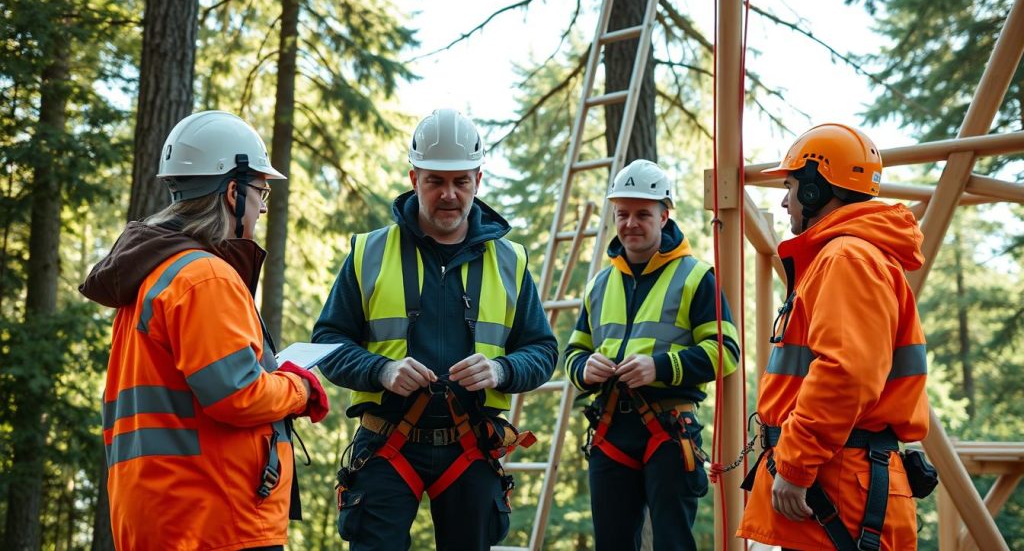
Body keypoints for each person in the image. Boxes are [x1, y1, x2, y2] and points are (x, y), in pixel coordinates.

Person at [80, 110, 329, 551]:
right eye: (260, 192)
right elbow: (238, 395)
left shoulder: (152, 276)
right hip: (212, 518)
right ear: (233, 192)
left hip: (161, 511)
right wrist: (299, 388)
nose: (262, 206)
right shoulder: (205, 278)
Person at [312, 108, 558, 551]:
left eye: (461, 181)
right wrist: (381, 371)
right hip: (385, 443)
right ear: (413, 178)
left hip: (472, 444)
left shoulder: (510, 261)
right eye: (435, 181)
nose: (449, 195)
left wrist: (501, 371)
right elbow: (327, 343)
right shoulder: (369, 252)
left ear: (478, 181)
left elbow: (542, 349)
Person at [736, 123, 930, 550]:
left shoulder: (847, 257)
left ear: (814, 189)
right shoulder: (851, 255)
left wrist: (794, 466)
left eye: (790, 186)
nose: (785, 201)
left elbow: (847, 372)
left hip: (837, 488)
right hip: (841, 483)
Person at [563, 159, 740, 551]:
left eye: (642, 214)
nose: (630, 224)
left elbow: (726, 351)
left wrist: (658, 367)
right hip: (611, 428)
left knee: (672, 543)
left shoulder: (696, 277)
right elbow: (574, 352)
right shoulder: (600, 284)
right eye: (622, 214)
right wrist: (585, 368)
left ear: (664, 216)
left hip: (669, 428)